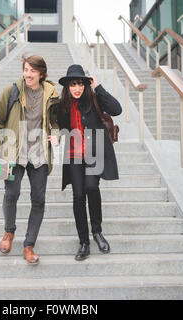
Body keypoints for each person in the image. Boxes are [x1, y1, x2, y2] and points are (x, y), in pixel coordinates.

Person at [0, 55, 60, 265]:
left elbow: (56, 122)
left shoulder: (52, 94)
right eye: (25, 69)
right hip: (14, 153)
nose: (27, 74)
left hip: (39, 154)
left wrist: (56, 134)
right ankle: (8, 233)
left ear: (41, 74)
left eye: (32, 71)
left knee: (39, 200)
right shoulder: (11, 92)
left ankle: (29, 245)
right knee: (12, 194)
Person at [57, 64, 122, 261]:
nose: (77, 88)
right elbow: (58, 126)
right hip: (74, 156)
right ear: (67, 87)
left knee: (92, 188)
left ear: (86, 85)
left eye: (80, 84)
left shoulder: (94, 100)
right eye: (73, 84)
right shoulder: (62, 106)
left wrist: (99, 87)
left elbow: (116, 109)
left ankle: (97, 232)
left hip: (95, 153)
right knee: (78, 196)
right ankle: (83, 241)